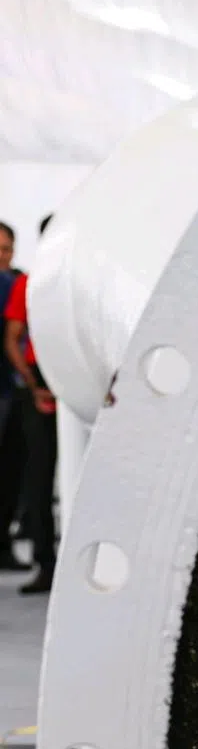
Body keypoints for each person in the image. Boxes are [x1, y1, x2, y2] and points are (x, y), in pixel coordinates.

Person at [3, 215, 57, 593]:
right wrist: (33, 384)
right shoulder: (29, 282)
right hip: (39, 386)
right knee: (37, 478)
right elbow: (13, 337)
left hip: (68, 384)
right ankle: (46, 561)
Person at [0, 222, 29, 572]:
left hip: (10, 390)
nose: (3, 257)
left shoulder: (16, 282)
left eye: (7, 249)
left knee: (11, 470)